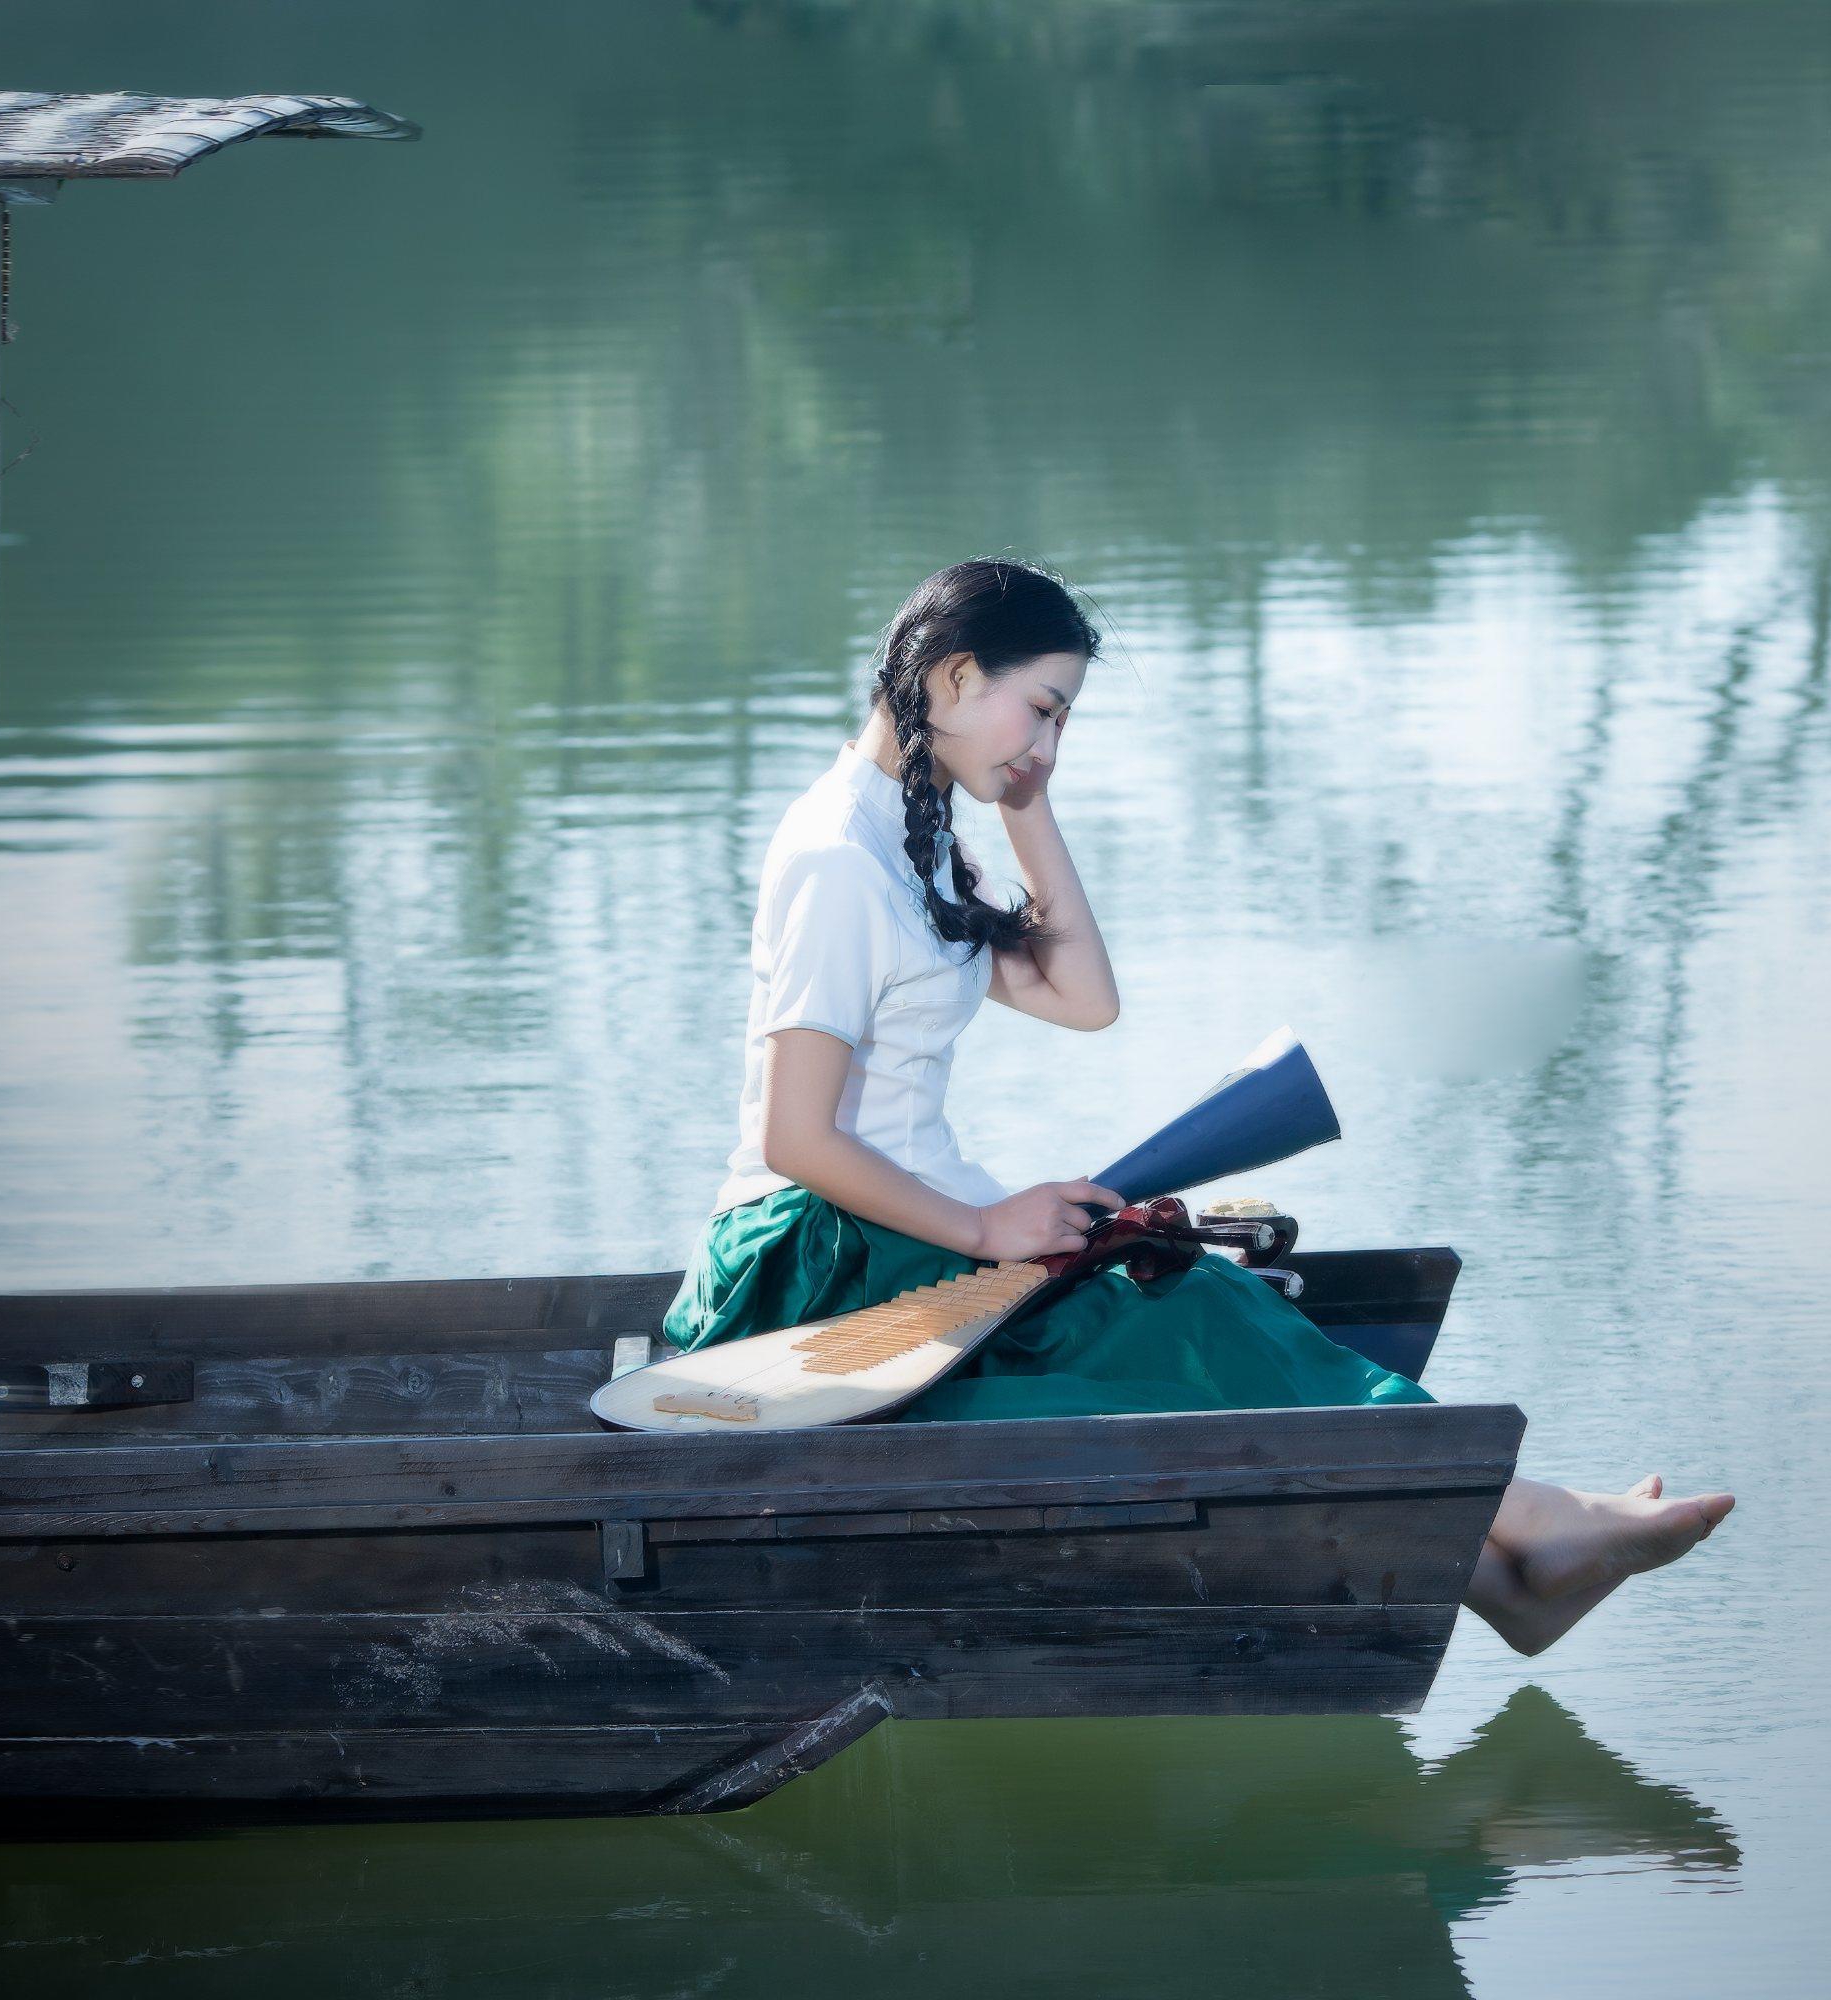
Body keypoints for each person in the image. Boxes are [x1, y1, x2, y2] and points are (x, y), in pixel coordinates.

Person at [659, 557, 1729, 1654]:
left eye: (1063, 722)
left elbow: (1085, 997)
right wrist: (986, 1227)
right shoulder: (838, 855)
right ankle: (1524, 1534)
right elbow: (798, 1136)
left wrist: (1030, 801)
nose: (1047, 742)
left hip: (903, 1228)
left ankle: (1512, 1563)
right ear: (954, 676)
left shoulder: (910, 840)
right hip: (816, 1256)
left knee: (1205, 1303)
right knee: (1185, 1321)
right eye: (1041, 709)